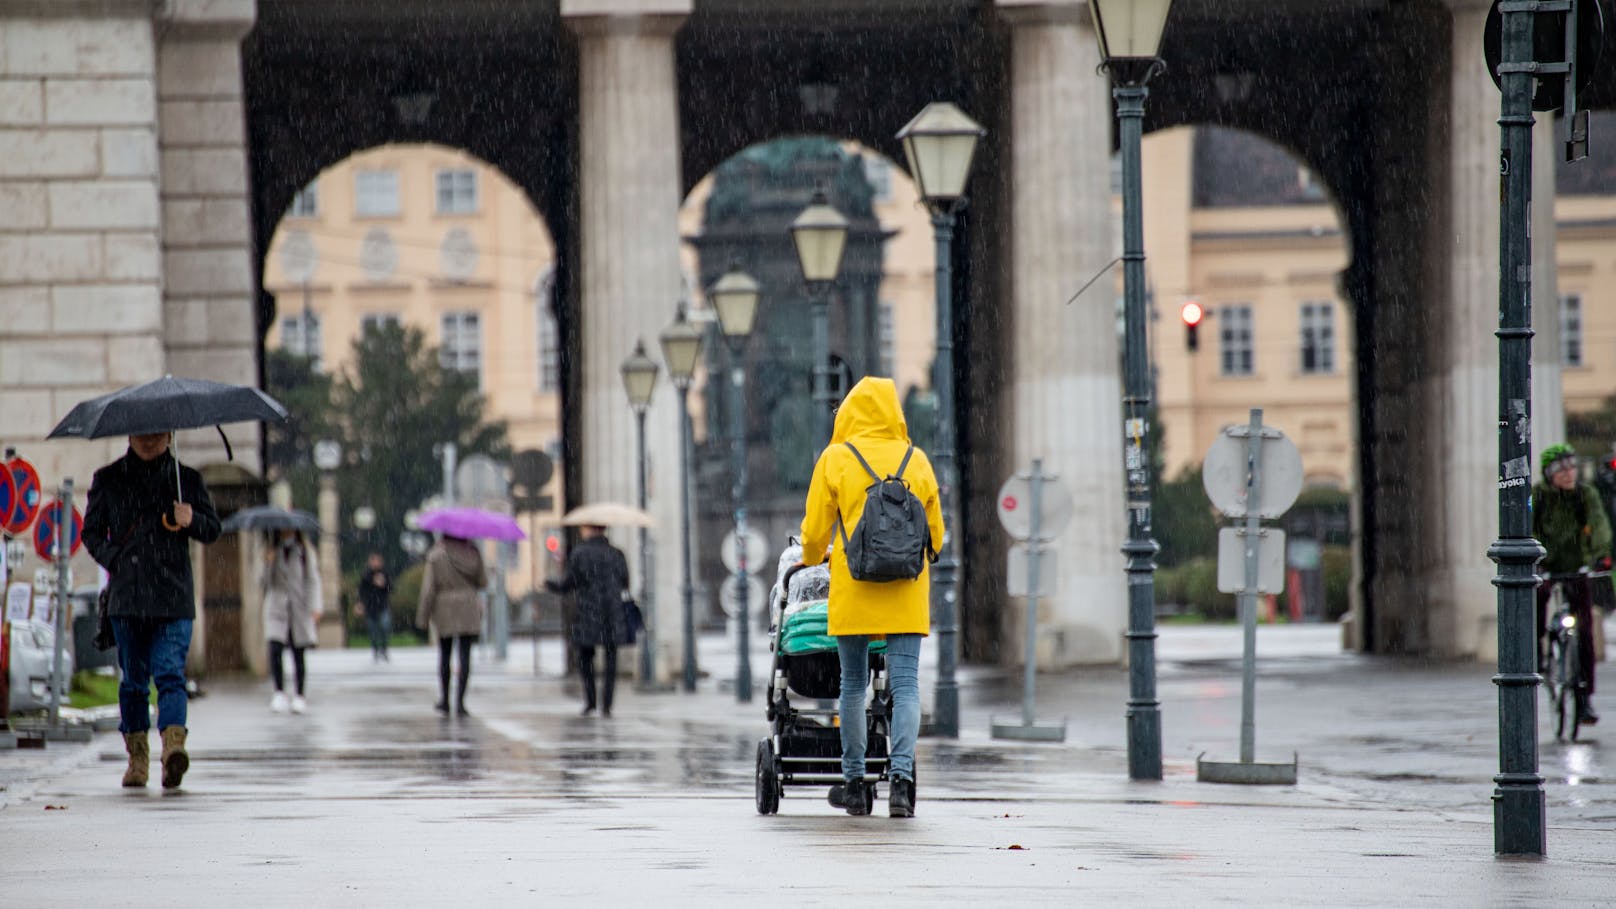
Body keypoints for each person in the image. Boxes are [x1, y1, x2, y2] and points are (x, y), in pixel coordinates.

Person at [798, 377, 943, 818]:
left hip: (855, 585)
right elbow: (935, 532)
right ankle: (901, 781)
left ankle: (855, 783)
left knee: (853, 685)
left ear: (850, 413)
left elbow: (814, 531)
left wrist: (811, 557)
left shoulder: (836, 458)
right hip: (905, 588)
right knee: (905, 686)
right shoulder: (915, 460)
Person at [83, 431, 221, 789]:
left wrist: (191, 519)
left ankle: (173, 749)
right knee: (133, 684)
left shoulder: (185, 480)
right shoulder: (108, 479)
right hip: (128, 600)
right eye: (142, 433)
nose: (148, 440)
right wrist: (115, 559)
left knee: (170, 674)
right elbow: (91, 533)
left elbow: (212, 529)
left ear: (171, 435)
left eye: (157, 433)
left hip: (173, 598)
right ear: (129, 433)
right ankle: (138, 758)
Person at [1534, 442, 1612, 726]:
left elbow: (1599, 523)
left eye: (1571, 467)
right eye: (1560, 469)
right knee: (1537, 597)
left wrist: (1601, 555)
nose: (1568, 474)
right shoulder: (1538, 497)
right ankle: (1538, 649)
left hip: (1577, 565)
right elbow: (1528, 528)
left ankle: (1584, 700)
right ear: (1548, 473)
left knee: (1585, 633)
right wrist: (1535, 560)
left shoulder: (1585, 494)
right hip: (1546, 565)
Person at [546, 525, 629, 717]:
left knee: (585, 657)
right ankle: (607, 704)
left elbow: (568, 584)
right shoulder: (616, 554)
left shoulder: (580, 553)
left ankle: (590, 701)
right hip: (611, 611)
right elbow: (625, 581)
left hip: (588, 611)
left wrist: (551, 584)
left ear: (589, 530)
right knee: (611, 658)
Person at [416, 534, 486, 716]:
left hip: (444, 607)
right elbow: (483, 582)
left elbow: (428, 589)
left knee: (445, 654)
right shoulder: (473, 553)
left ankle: (445, 700)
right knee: (465, 655)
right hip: (468, 606)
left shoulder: (436, 555)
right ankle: (461, 702)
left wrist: (423, 617)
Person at [261, 529, 322, 714]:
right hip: (276, 607)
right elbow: (263, 581)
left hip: (298, 607)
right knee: (275, 649)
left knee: (298, 652)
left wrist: (315, 607)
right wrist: (268, 563)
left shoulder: (304, 552)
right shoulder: (271, 550)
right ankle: (279, 692)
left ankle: (299, 695)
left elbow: (312, 580)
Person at [357, 551, 393, 662]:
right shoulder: (366, 575)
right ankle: (375, 649)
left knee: (384, 627)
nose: (376, 563)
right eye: (373, 561)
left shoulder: (385, 573)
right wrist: (360, 604)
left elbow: (391, 588)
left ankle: (384, 648)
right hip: (370, 607)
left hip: (383, 606)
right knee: (373, 631)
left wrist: (384, 584)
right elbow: (361, 591)